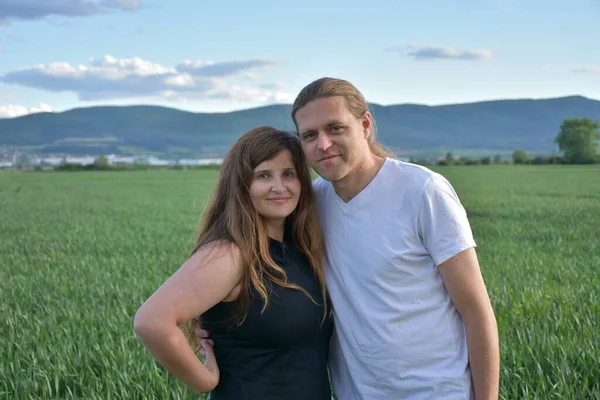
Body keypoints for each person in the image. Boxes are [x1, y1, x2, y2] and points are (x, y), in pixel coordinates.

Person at [290, 77, 500, 399]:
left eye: (335, 128)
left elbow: (475, 309)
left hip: (437, 392)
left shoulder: (422, 190)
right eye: (310, 135)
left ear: (365, 124)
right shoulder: (309, 205)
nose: (323, 144)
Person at [134, 126, 333, 399]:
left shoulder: (300, 250)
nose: (280, 186)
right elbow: (152, 321)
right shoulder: (231, 254)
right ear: (241, 185)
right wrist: (204, 381)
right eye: (264, 175)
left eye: (289, 174)